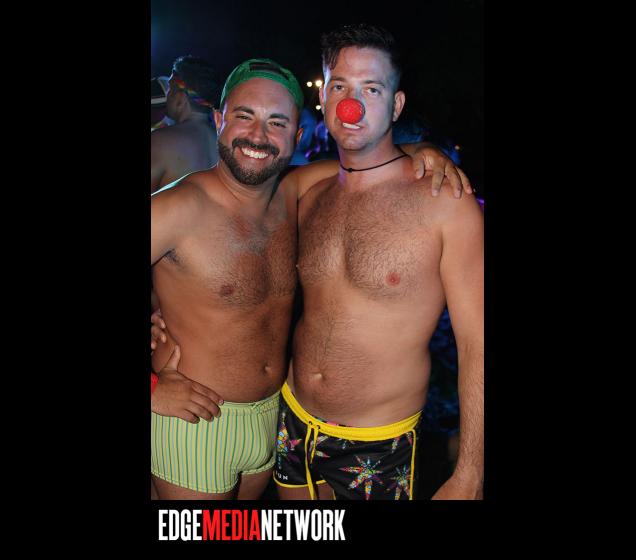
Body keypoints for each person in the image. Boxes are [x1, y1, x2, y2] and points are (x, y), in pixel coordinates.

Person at [149, 57, 472, 501]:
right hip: (196, 420)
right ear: (220, 120)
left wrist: (421, 150)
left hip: (272, 423)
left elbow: (377, 161)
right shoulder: (175, 207)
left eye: (277, 123)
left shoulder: (294, 191)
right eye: (244, 116)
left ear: (296, 137)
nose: (258, 136)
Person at [271, 24, 483, 500]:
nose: (353, 105)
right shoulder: (307, 190)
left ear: (396, 104)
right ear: (323, 97)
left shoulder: (446, 203)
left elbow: (478, 344)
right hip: (293, 419)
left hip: (379, 444)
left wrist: (470, 473)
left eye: (372, 88)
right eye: (340, 87)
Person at [151, 55, 219, 193]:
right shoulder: (224, 144)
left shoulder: (160, 141)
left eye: (170, 89)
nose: (167, 95)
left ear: (180, 99)